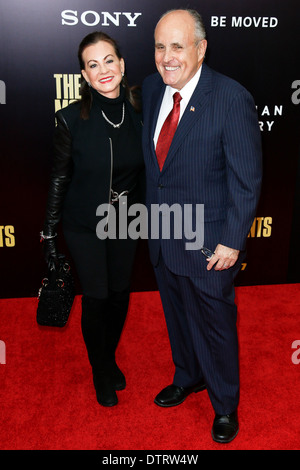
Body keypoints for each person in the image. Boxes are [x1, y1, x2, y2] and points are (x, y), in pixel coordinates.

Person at [142, 9, 262, 443]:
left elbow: (246, 179)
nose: (167, 57)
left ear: (201, 48)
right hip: (162, 235)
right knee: (176, 318)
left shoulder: (230, 98)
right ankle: (188, 375)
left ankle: (225, 404)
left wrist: (232, 240)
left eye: (177, 46)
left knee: (215, 325)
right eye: (160, 46)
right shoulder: (154, 88)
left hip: (210, 243)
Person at [40, 32, 144, 407]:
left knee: (119, 294)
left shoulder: (140, 109)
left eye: (109, 60)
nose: (103, 70)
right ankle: (100, 369)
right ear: (83, 75)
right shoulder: (70, 119)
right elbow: (59, 177)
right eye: (93, 64)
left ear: (122, 64)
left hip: (127, 221)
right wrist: (49, 234)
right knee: (97, 296)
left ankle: (108, 356)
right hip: (84, 223)